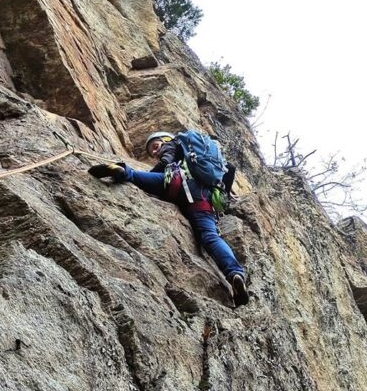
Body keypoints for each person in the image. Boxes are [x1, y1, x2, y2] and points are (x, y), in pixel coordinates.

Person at [88, 130, 250, 307]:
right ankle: (235, 273)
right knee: (210, 236)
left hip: (177, 181)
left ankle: (121, 171)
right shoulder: (204, 159)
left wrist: (151, 175)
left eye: (155, 147)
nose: (155, 152)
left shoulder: (172, 144)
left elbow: (166, 163)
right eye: (153, 152)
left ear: (166, 140)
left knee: (134, 176)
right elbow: (230, 169)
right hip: (204, 199)